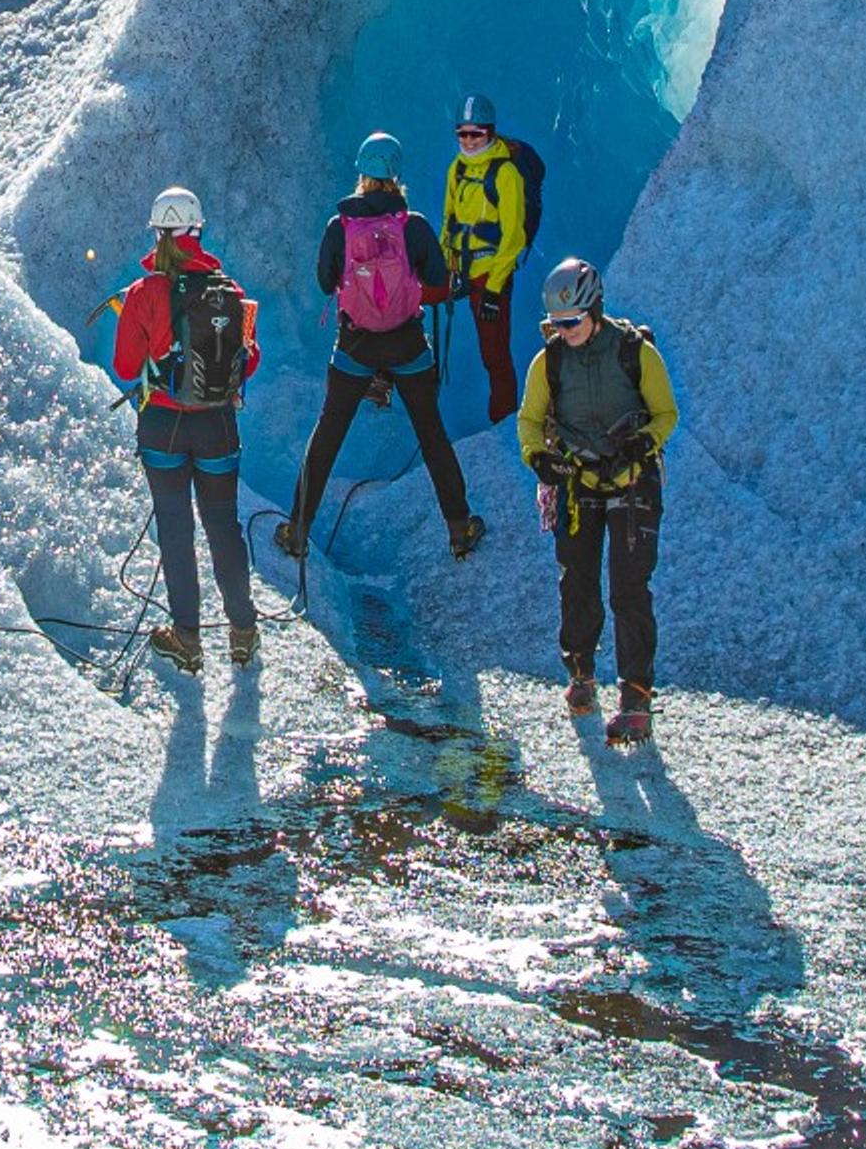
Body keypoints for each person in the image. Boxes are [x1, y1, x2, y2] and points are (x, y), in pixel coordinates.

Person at [273, 131, 483, 564]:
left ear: (361, 173)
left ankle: (297, 530)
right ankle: (460, 528)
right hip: (407, 345)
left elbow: (325, 282)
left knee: (327, 435)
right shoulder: (413, 225)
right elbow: (437, 280)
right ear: (396, 175)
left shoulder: (340, 226)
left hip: (356, 346)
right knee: (432, 435)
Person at [516, 257, 677, 748]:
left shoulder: (635, 352)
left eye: (572, 322)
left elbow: (665, 413)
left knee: (629, 587)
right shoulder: (550, 362)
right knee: (577, 579)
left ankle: (636, 698)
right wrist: (537, 457)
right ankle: (581, 674)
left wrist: (642, 443)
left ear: (594, 309)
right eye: (558, 323)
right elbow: (529, 420)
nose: (564, 331)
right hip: (578, 480)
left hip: (632, 479)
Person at [107, 185, 262, 672]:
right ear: (198, 229)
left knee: (176, 529)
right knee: (223, 525)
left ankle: (187, 639)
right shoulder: (231, 291)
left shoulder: (144, 292)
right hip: (217, 424)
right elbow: (249, 360)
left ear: (158, 232)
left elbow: (125, 366)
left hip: (163, 426)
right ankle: (243, 631)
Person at [440, 94, 545, 425]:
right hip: (460, 269)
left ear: (490, 132)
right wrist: (445, 264)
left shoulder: (506, 173)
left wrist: (494, 290)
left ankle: (504, 423)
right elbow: (448, 222)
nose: (469, 141)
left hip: (490, 276)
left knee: (495, 355)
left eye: (477, 134)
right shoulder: (457, 168)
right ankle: (382, 373)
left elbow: (513, 237)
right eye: (463, 133)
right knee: (408, 296)